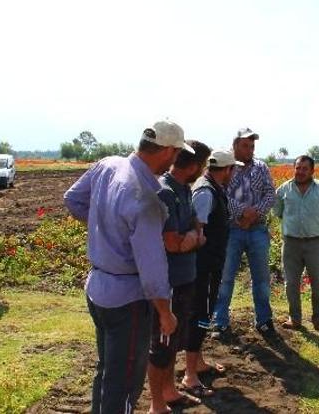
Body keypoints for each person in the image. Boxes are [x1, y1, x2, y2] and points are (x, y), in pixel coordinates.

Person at [64, 121, 191, 414]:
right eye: (175, 154)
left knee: (108, 369)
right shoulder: (145, 199)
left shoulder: (108, 165)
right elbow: (152, 266)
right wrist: (164, 311)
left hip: (98, 288)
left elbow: (72, 200)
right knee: (124, 382)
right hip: (128, 300)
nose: (174, 160)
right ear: (168, 150)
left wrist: (105, 229)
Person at [147, 140, 211, 412]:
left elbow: (198, 228)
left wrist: (193, 237)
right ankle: (156, 404)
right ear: (195, 166)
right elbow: (173, 243)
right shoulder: (166, 192)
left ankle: (170, 391)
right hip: (169, 283)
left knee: (173, 342)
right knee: (161, 346)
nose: (204, 170)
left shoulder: (184, 190)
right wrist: (195, 238)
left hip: (185, 278)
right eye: (204, 164)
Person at [182, 150, 242, 395]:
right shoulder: (206, 193)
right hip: (203, 266)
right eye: (233, 169)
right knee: (200, 314)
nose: (234, 173)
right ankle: (189, 375)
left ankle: (197, 361)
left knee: (203, 312)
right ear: (227, 169)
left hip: (210, 263)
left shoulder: (213, 188)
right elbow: (198, 232)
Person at [212, 127, 277, 336]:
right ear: (235, 146)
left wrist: (254, 213)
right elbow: (221, 192)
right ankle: (220, 320)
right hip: (232, 228)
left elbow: (270, 194)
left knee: (261, 278)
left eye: (252, 146)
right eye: (245, 145)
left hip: (257, 228)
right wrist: (242, 212)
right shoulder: (228, 168)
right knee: (226, 276)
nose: (249, 150)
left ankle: (264, 320)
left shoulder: (261, 167)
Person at [273, 155, 319, 334]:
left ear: (312, 171)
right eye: (298, 168)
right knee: (291, 282)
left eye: (304, 169)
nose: (300, 172)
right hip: (290, 243)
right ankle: (295, 318)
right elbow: (278, 212)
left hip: (315, 243)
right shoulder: (283, 190)